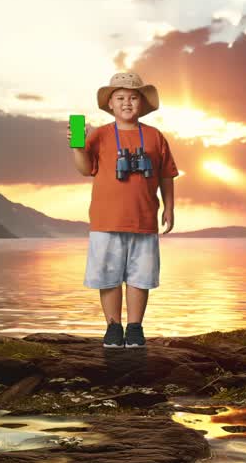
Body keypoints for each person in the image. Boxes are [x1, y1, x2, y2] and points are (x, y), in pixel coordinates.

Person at [65, 72, 178, 349]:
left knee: (141, 276)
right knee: (108, 275)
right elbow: (85, 169)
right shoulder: (100, 135)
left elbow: (166, 175)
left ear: (142, 102)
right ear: (110, 104)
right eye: (120, 98)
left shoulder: (154, 136)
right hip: (106, 219)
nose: (127, 102)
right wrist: (77, 146)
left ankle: (135, 327)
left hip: (144, 218)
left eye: (133, 97)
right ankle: (113, 327)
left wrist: (169, 207)